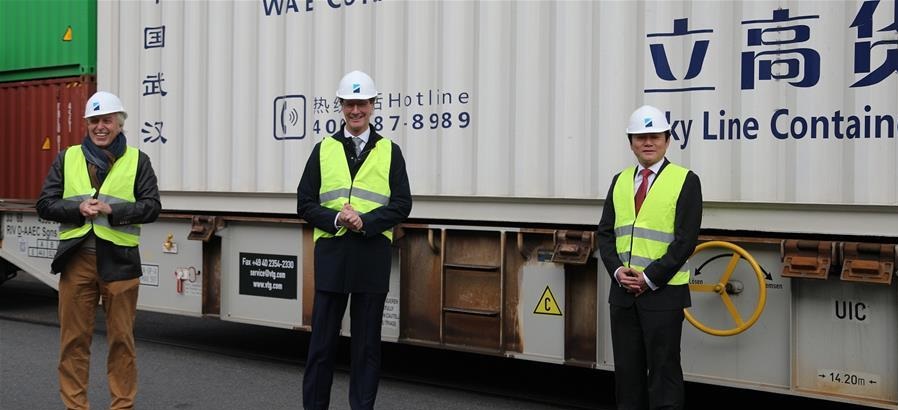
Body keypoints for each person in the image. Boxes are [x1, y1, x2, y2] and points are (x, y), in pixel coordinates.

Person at [36, 91, 162, 410]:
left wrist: (113, 211)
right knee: (73, 341)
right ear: (87, 124)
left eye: (106, 120)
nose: (100, 127)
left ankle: (122, 406)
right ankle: (75, 406)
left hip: (120, 263)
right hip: (77, 260)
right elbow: (45, 204)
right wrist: (77, 208)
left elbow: (152, 207)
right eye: (94, 121)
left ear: (119, 124)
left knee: (122, 342)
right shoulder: (67, 158)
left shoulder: (138, 160)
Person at [297, 70, 412, 410]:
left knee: (366, 348)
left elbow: (402, 204)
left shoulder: (390, 152)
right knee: (321, 346)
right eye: (349, 104)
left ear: (373, 105)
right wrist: (337, 219)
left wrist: (365, 222)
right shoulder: (323, 150)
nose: (356, 111)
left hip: (371, 255)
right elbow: (304, 203)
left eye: (362, 103)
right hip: (332, 255)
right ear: (341, 106)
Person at [596, 105, 702, 410]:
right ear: (631, 143)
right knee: (627, 376)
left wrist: (649, 278)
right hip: (623, 295)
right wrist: (617, 272)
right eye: (640, 137)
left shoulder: (685, 180)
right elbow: (605, 233)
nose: (648, 143)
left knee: (664, 373)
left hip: (662, 293)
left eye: (655, 136)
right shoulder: (620, 180)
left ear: (667, 140)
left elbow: (685, 241)